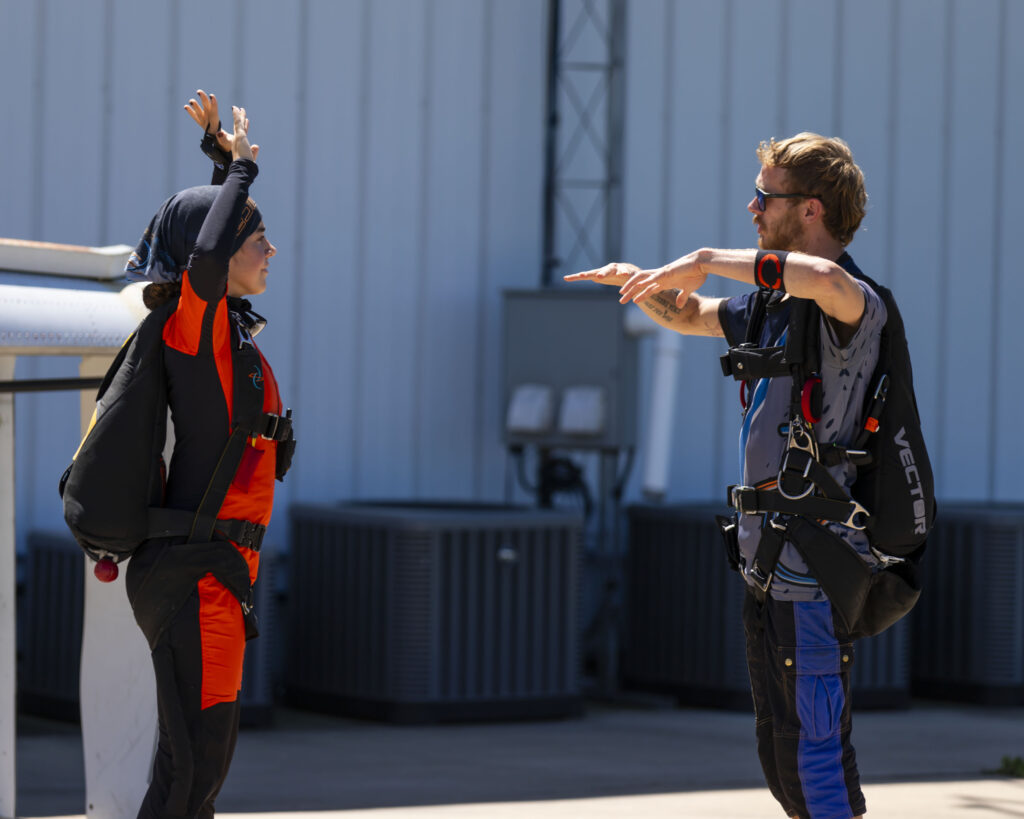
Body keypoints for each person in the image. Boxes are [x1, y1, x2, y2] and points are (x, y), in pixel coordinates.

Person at [566, 133, 882, 819]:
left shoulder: (851, 302)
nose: (751, 206)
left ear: (810, 211)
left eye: (764, 197)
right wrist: (640, 283)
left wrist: (705, 259)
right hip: (771, 564)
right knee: (787, 759)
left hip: (814, 565)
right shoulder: (772, 308)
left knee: (816, 757)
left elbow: (824, 281)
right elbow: (694, 315)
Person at [123, 91, 294, 819]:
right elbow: (202, 252)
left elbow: (208, 245)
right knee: (190, 773)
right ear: (220, 255)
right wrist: (241, 174)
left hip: (218, 576)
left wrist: (225, 167)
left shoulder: (228, 334)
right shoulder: (191, 333)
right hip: (196, 577)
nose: (270, 247)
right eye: (255, 237)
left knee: (197, 773)